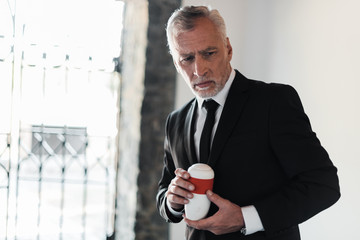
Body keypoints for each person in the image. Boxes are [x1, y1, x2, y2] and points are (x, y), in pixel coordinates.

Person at [156, 5, 340, 240]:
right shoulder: (175, 121)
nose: (199, 69)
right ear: (176, 63)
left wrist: (246, 218)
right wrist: (172, 201)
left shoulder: (274, 102)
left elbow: (323, 185)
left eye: (209, 53)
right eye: (187, 59)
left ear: (228, 49)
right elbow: (164, 191)